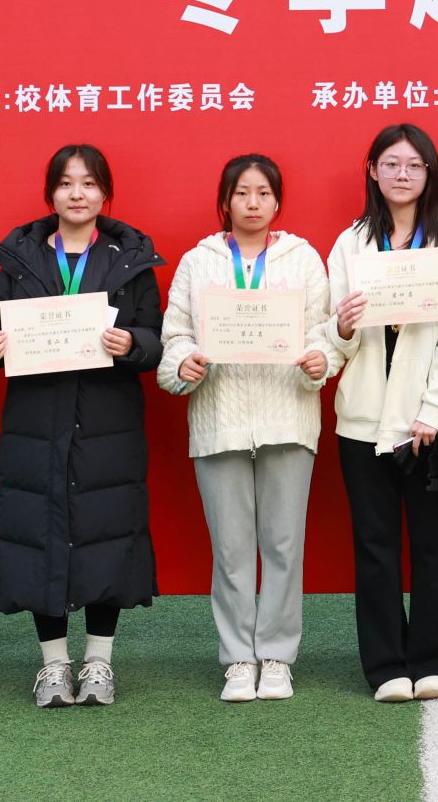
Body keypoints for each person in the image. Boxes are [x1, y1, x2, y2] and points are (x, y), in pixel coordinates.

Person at [0, 145, 166, 708]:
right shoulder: (22, 257)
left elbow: (156, 338)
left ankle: (99, 662)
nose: (77, 194)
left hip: (108, 421)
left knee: (106, 532)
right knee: (41, 534)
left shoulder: (131, 258)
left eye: (89, 183)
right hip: (37, 419)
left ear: (105, 193)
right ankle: (53, 666)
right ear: (50, 193)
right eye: (66, 183)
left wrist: (132, 343)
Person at [158, 155, 335, 704]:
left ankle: (277, 656)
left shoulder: (303, 259)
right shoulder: (198, 262)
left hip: (288, 417)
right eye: (242, 193)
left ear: (277, 201)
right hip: (220, 421)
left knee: (283, 545)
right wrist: (184, 363)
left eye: (262, 193)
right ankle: (238, 658)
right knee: (231, 550)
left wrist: (320, 360)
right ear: (226, 201)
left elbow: (323, 332)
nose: (252, 203)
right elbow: (175, 336)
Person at [324, 123, 438, 703]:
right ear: (372, 170)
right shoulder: (350, 243)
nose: (402, 174)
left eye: (414, 165)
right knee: (374, 544)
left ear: (430, 173)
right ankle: (385, 664)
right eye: (391, 164)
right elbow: (331, 335)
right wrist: (341, 327)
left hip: (433, 422)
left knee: (435, 545)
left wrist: (433, 411)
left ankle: (435, 659)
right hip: (363, 419)